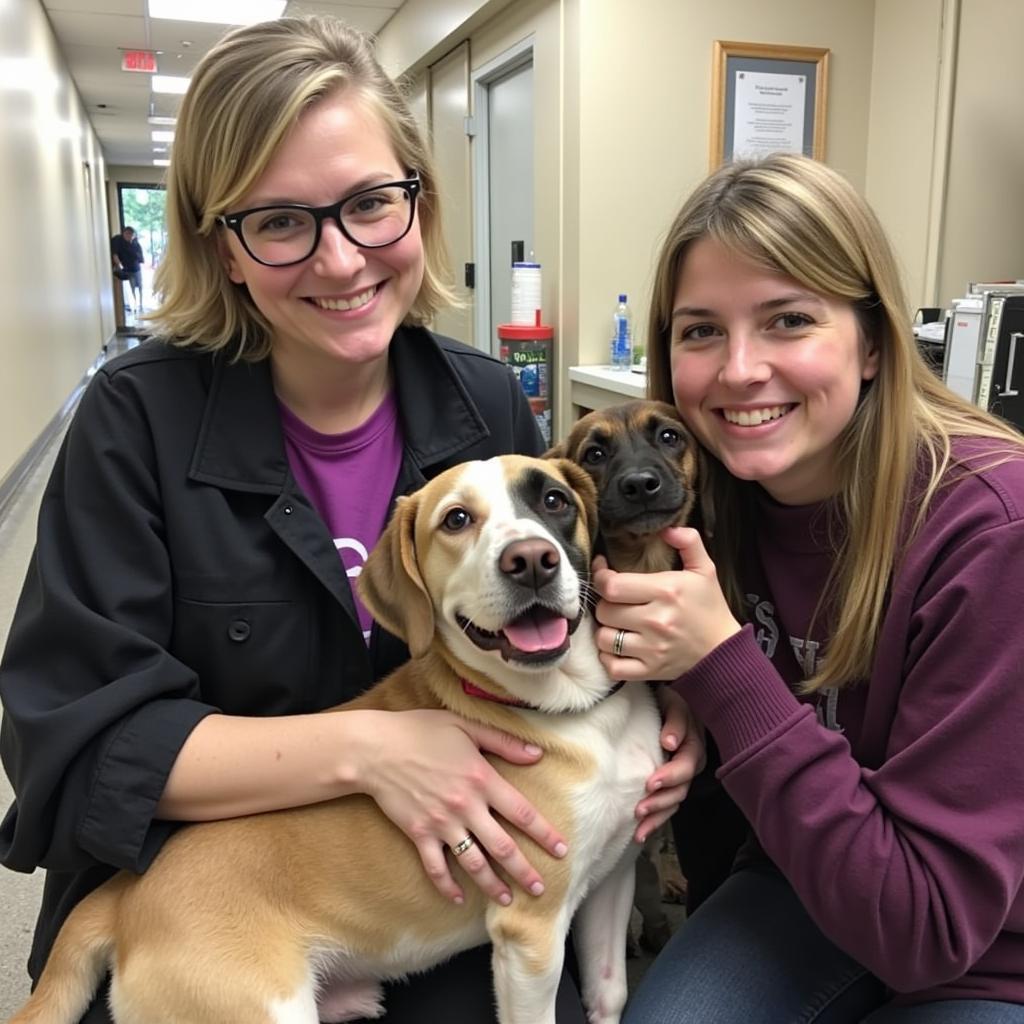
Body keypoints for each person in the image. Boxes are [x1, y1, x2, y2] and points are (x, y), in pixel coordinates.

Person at [0, 16, 701, 1023]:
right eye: (281, 221)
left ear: (419, 201)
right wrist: (374, 749)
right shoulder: (135, 419)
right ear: (222, 246)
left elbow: (570, 611)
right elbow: (81, 747)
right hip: (214, 892)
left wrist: (666, 715)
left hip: (447, 880)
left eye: (372, 203)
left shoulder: (489, 403)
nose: (340, 260)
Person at [589, 153, 1024, 1023]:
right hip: (804, 879)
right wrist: (691, 719)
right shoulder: (711, 497)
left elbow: (928, 929)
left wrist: (722, 671)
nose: (741, 370)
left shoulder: (992, 528)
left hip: (978, 945)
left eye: (789, 320)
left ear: (871, 342)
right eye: (701, 330)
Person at [110, 225, 144, 311]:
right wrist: (120, 267)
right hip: (127, 269)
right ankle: (134, 305)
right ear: (124, 233)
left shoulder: (134, 242)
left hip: (136, 268)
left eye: (131, 234)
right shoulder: (118, 241)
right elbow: (115, 255)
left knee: (140, 286)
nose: (129, 236)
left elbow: (140, 255)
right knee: (131, 288)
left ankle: (141, 304)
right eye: (128, 234)